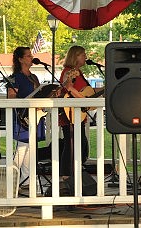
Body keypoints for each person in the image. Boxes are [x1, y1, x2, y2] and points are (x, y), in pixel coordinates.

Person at [7, 47, 46, 185]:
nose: (31, 57)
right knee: (22, 148)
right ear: (20, 59)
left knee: (30, 148)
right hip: (22, 117)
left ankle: (26, 180)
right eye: (28, 55)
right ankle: (11, 179)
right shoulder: (15, 77)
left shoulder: (33, 77)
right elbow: (11, 97)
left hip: (36, 115)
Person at [59, 45, 90, 179]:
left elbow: (85, 89)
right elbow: (68, 87)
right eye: (83, 55)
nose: (85, 57)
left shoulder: (79, 72)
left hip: (79, 113)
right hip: (70, 113)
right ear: (75, 56)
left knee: (81, 144)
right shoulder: (68, 71)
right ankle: (66, 175)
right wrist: (82, 98)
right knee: (71, 144)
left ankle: (75, 171)